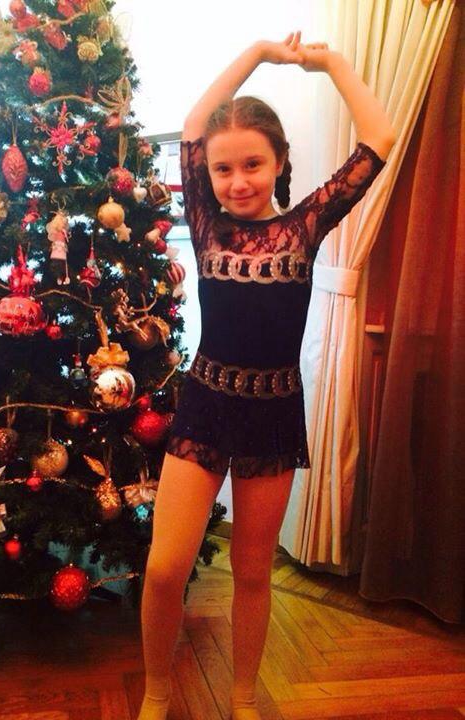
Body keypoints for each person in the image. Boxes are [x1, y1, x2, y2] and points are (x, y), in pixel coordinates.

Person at [137, 31, 396, 720]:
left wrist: (330, 63)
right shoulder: (205, 223)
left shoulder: (304, 227)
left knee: (253, 571)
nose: (238, 181)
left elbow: (379, 138)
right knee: (164, 567)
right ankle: (156, 692)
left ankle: (244, 697)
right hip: (204, 406)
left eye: (253, 163)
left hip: (274, 413)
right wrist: (255, 52)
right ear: (207, 176)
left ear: (280, 162)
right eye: (223, 169)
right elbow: (195, 125)